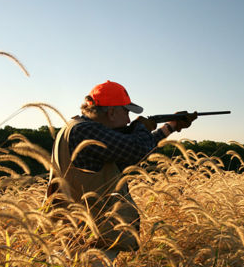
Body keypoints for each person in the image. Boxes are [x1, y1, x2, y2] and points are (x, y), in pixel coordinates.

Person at [47, 80, 195, 252]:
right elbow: (137, 148)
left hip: (81, 237)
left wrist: (171, 126)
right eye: (126, 112)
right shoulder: (84, 131)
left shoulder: (75, 127)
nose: (128, 119)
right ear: (111, 112)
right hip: (86, 242)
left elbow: (134, 150)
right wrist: (140, 127)